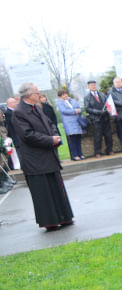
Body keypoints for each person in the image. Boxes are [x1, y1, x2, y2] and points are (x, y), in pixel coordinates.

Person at [12, 82, 73, 230]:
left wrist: (55, 135)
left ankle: (64, 217)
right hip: (35, 160)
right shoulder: (19, 112)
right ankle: (50, 222)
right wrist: (49, 140)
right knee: (44, 192)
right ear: (29, 95)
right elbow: (27, 135)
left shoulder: (36, 108)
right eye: (37, 93)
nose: (39, 95)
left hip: (48, 155)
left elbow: (49, 124)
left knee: (56, 188)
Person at [84, 81, 114, 157]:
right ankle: (98, 152)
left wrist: (108, 109)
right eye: (91, 85)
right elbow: (87, 109)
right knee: (98, 136)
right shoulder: (87, 97)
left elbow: (107, 103)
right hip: (96, 119)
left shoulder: (102, 94)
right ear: (89, 87)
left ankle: (109, 150)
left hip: (105, 118)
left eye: (94, 85)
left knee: (108, 135)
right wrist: (99, 112)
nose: (93, 86)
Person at [56, 90, 85, 161]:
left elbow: (79, 107)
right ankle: (75, 155)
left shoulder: (72, 100)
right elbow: (64, 111)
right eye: (63, 95)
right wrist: (75, 111)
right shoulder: (60, 103)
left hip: (77, 121)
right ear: (60, 96)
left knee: (78, 138)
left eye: (65, 94)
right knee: (73, 140)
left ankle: (80, 153)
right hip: (69, 123)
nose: (65, 96)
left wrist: (78, 110)